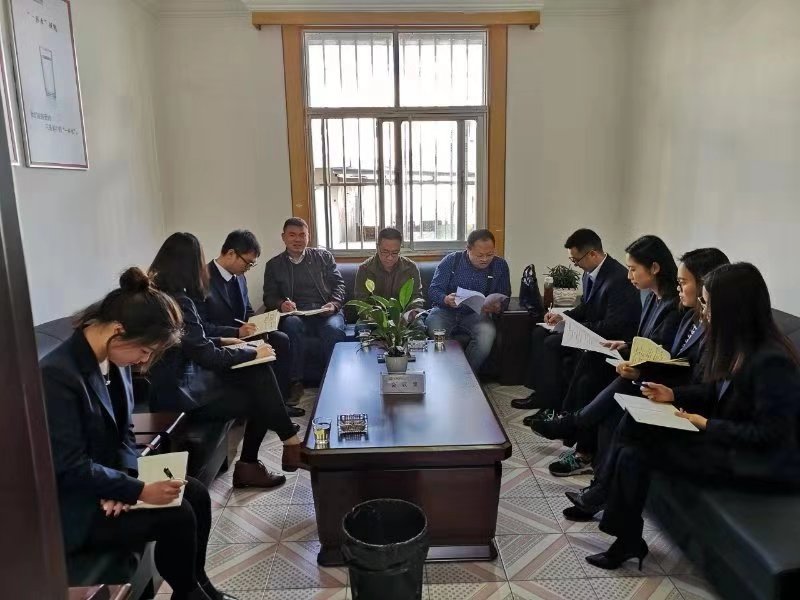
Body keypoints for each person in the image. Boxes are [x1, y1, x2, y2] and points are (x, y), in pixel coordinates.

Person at [582, 263, 800, 571]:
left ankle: (622, 532)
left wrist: (705, 423)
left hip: (753, 462)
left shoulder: (771, 361)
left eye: (708, 304)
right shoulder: (735, 345)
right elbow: (715, 392)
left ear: (732, 308)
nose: (704, 311)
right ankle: (625, 536)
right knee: (633, 431)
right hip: (724, 441)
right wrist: (672, 394)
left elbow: (769, 436)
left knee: (636, 455)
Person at [41, 267, 238, 600]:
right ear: (117, 330)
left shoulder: (113, 362)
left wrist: (126, 482)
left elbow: (125, 435)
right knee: (178, 514)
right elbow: (69, 467)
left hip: (106, 485)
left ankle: (200, 584)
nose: (144, 361)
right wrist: (138, 490)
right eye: (145, 350)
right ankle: (189, 593)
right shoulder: (57, 376)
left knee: (195, 493)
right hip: (76, 506)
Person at [558, 247, 730, 519]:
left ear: (706, 283)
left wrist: (668, 390)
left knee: (625, 413)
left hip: (689, 405)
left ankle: (592, 471)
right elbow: (673, 359)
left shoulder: (717, 329)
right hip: (671, 387)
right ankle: (598, 487)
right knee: (614, 404)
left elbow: (703, 383)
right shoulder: (690, 315)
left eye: (683, 282)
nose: (678, 288)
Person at [148, 233, 302, 490]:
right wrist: (251, 352)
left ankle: (282, 445)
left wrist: (225, 341)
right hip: (182, 394)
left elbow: (191, 341)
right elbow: (205, 354)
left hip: (176, 385)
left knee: (260, 374)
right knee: (260, 389)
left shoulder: (162, 295)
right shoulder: (180, 301)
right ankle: (278, 448)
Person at [536, 235, 683, 477]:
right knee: (589, 360)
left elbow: (662, 350)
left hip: (653, 374)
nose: (629, 275)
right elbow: (646, 340)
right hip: (636, 361)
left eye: (633, 269)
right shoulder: (652, 297)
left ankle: (573, 428)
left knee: (592, 379)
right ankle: (570, 424)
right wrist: (624, 346)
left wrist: (629, 353)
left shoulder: (673, 304)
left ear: (655, 268)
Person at [512, 229, 641, 413]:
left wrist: (574, 328)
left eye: (576, 260)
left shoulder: (619, 279)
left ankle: (552, 402)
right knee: (539, 332)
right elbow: (587, 306)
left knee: (551, 343)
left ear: (593, 254)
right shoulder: (589, 272)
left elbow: (614, 325)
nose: (575, 264)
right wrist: (564, 317)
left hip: (609, 338)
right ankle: (541, 393)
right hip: (591, 330)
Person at [197, 229, 303, 416]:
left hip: (245, 334)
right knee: (265, 349)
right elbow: (202, 327)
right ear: (231, 253)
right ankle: (268, 409)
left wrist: (261, 324)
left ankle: (279, 404)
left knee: (280, 339)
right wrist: (236, 332)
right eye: (248, 262)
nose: (248, 268)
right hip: (221, 341)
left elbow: (247, 311)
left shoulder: (240, 277)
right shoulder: (202, 279)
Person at [262, 218, 346, 394]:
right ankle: (296, 382)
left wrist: (334, 304)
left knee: (333, 329)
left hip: (326, 311)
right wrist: (281, 304)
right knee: (291, 325)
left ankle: (335, 379)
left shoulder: (324, 257)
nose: (297, 239)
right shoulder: (274, 265)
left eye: (302, 235)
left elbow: (339, 285)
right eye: (292, 235)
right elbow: (269, 296)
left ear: (309, 237)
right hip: (296, 314)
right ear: (283, 237)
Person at [426, 229, 511, 371]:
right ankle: (447, 376)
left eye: (490, 254)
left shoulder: (500, 265)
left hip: (476, 315)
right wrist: (446, 299)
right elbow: (433, 290)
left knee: (486, 335)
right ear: (468, 249)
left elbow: (504, 295)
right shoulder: (451, 261)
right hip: (445, 311)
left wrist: (498, 306)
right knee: (436, 331)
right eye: (480, 255)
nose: (485, 259)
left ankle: (466, 377)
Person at [354, 227, 424, 310]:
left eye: (395, 253)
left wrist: (411, 314)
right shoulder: (365, 269)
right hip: (374, 316)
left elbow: (417, 299)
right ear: (377, 247)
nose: (390, 258)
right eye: (385, 252)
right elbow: (361, 303)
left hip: (404, 315)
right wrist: (375, 316)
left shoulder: (411, 268)